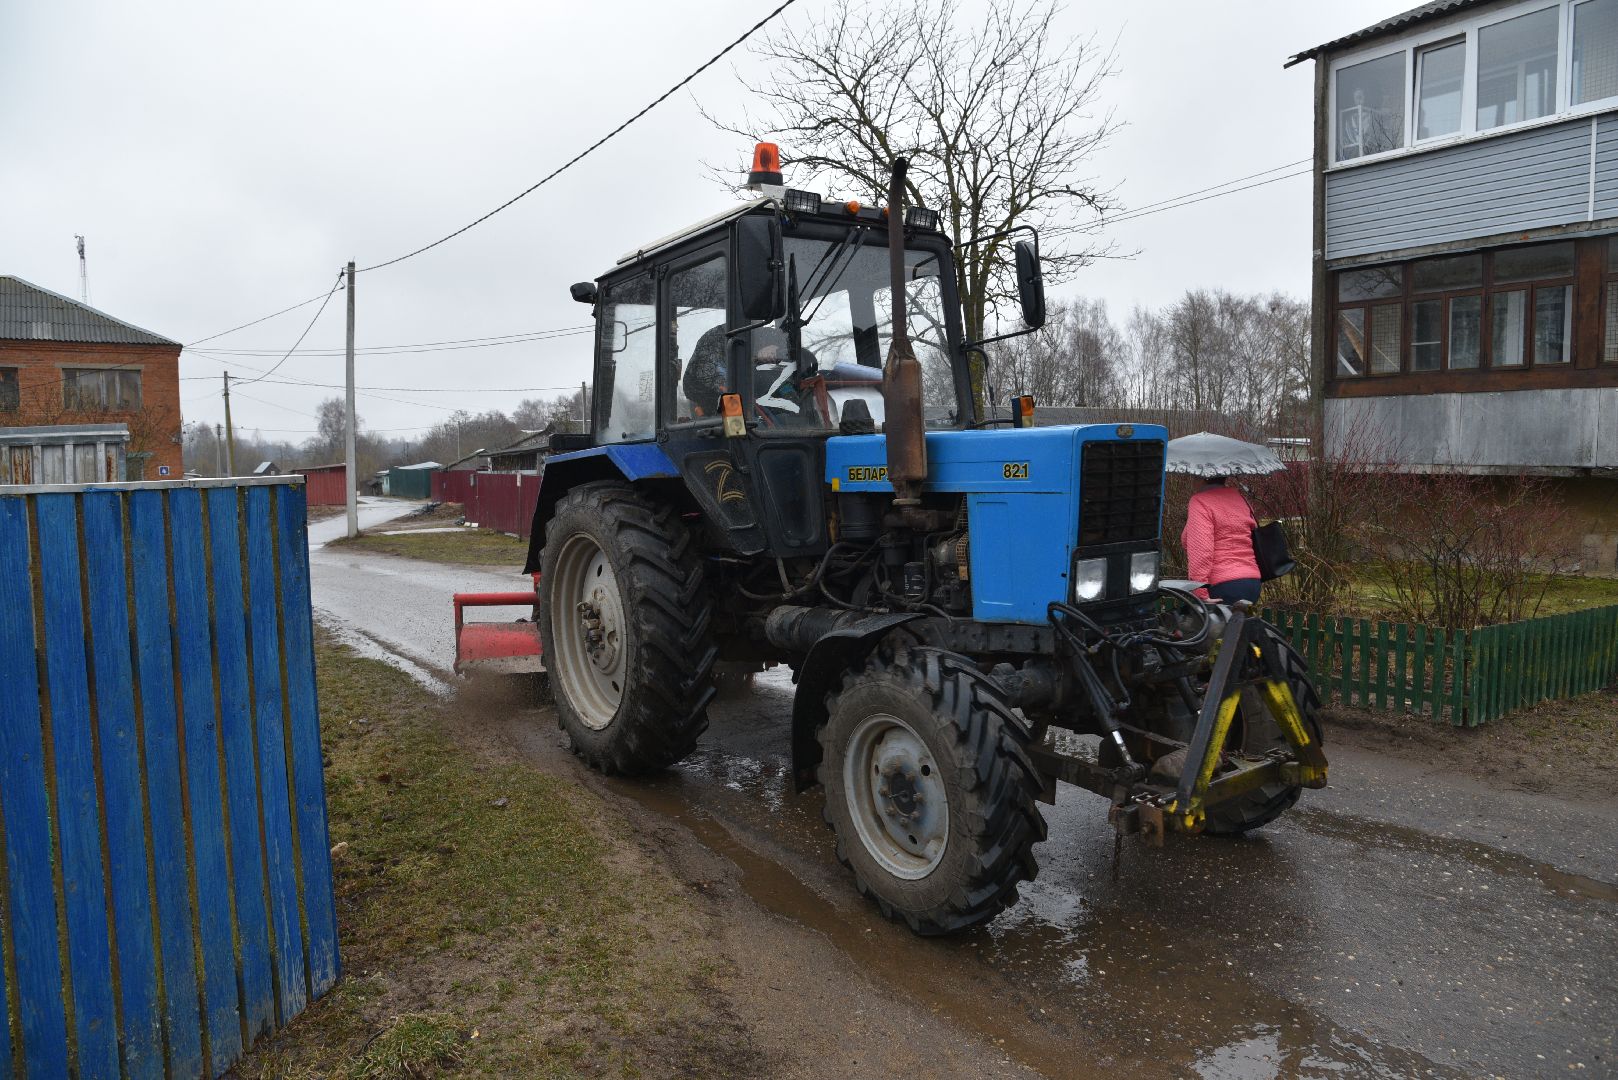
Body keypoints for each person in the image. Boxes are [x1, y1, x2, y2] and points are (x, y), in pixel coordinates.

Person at [1181, 475, 1262, 605]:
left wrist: (1200, 591)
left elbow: (1201, 552)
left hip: (1223, 585)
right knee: (1241, 625)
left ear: (1204, 478)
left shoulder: (1200, 501)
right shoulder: (1240, 498)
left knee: (1198, 624)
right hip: (1252, 582)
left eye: (1194, 477)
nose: (1192, 480)